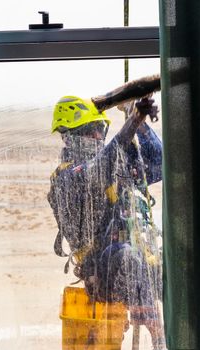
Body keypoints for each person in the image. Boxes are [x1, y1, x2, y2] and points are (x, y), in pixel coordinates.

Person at [48, 95, 165, 348]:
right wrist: (133, 121)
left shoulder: (115, 164)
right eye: (91, 131)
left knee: (175, 269)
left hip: (135, 262)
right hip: (102, 273)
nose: (98, 137)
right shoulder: (68, 179)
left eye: (101, 130)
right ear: (69, 137)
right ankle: (158, 336)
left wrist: (141, 121)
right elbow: (99, 168)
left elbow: (157, 161)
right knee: (124, 255)